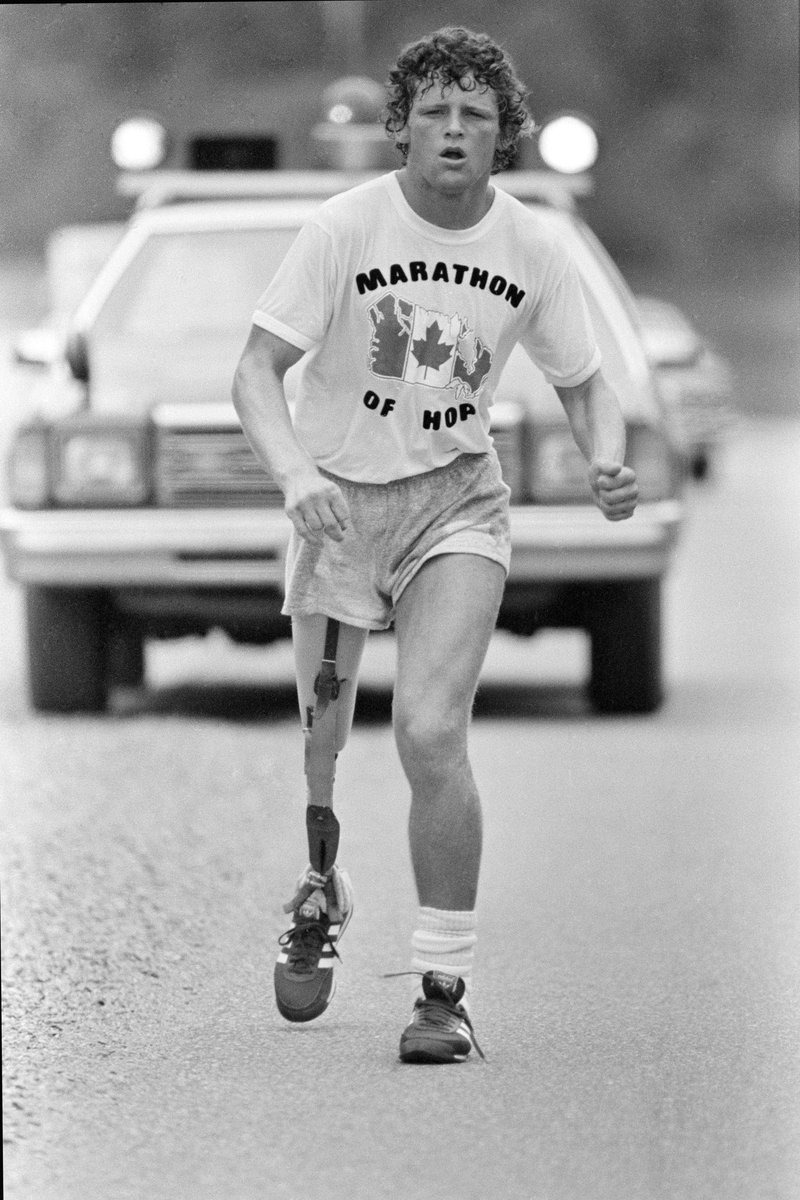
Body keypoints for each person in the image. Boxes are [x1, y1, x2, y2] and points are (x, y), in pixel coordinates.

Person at [232, 25, 638, 1065]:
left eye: (476, 115)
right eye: (435, 112)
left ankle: (441, 989)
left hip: (455, 504)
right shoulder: (342, 228)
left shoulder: (531, 245)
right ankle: (321, 884)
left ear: (503, 134)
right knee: (322, 743)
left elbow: (586, 381)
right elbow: (256, 370)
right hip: (336, 506)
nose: (454, 130)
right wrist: (296, 476)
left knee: (427, 730)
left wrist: (604, 457)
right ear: (402, 128)